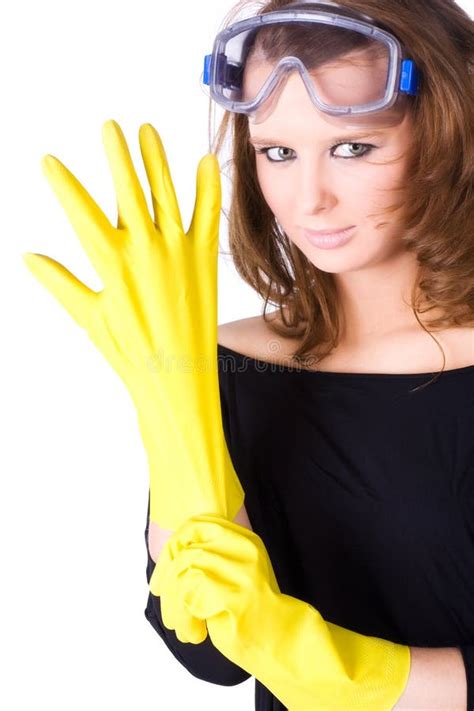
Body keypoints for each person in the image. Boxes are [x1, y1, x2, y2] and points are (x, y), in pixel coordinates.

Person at [22, 0, 473, 708]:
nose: (309, 198)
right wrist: (170, 395)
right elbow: (205, 652)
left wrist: (352, 676)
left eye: (354, 148)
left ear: (446, 135)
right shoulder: (230, 363)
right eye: (278, 152)